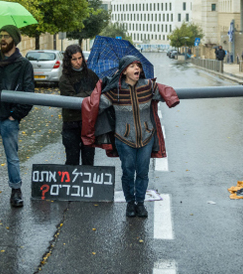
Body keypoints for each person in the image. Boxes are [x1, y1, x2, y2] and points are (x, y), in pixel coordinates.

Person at [81, 56, 179, 219]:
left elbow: (162, 91)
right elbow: (96, 105)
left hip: (146, 138)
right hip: (124, 140)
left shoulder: (148, 86)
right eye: (132, 66)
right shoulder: (115, 90)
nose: (136, 69)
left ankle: (140, 203)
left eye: (138, 66)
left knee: (142, 173)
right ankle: (130, 203)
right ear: (124, 70)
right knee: (128, 172)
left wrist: (171, 97)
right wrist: (97, 90)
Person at [0, 25, 34, 210]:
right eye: (0, 36)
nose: (2, 39)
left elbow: (29, 95)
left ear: (14, 40)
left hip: (8, 119)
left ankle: (16, 192)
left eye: (6, 36)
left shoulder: (24, 65)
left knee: (12, 158)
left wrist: (15, 115)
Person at [59, 44, 99, 166]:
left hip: (88, 123)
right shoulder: (65, 78)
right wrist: (89, 95)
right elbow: (71, 100)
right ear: (68, 61)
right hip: (71, 123)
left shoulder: (90, 75)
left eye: (80, 58)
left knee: (88, 159)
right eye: (74, 59)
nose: (78, 62)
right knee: (72, 160)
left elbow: (98, 92)